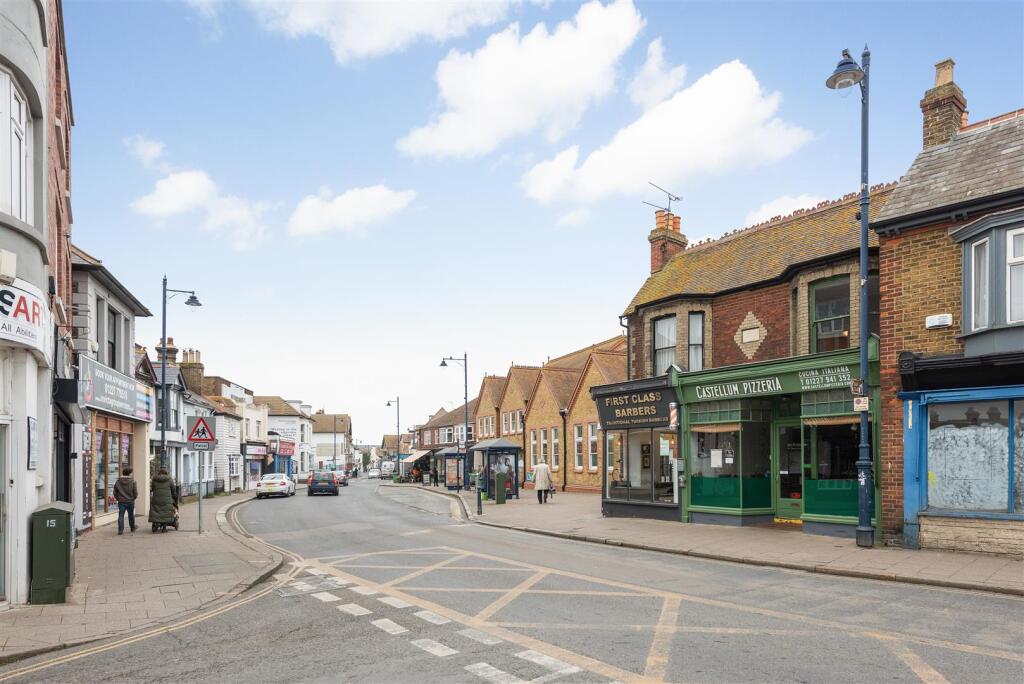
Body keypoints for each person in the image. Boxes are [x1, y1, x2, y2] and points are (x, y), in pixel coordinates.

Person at [113, 467, 138, 535]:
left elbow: (115, 492)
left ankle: (120, 530)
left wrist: (118, 498)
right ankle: (132, 527)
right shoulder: (133, 481)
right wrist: (133, 498)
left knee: (121, 515)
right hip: (130, 501)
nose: (132, 474)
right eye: (131, 473)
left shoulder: (118, 481)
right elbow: (135, 492)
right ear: (129, 473)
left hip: (121, 502)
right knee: (131, 515)